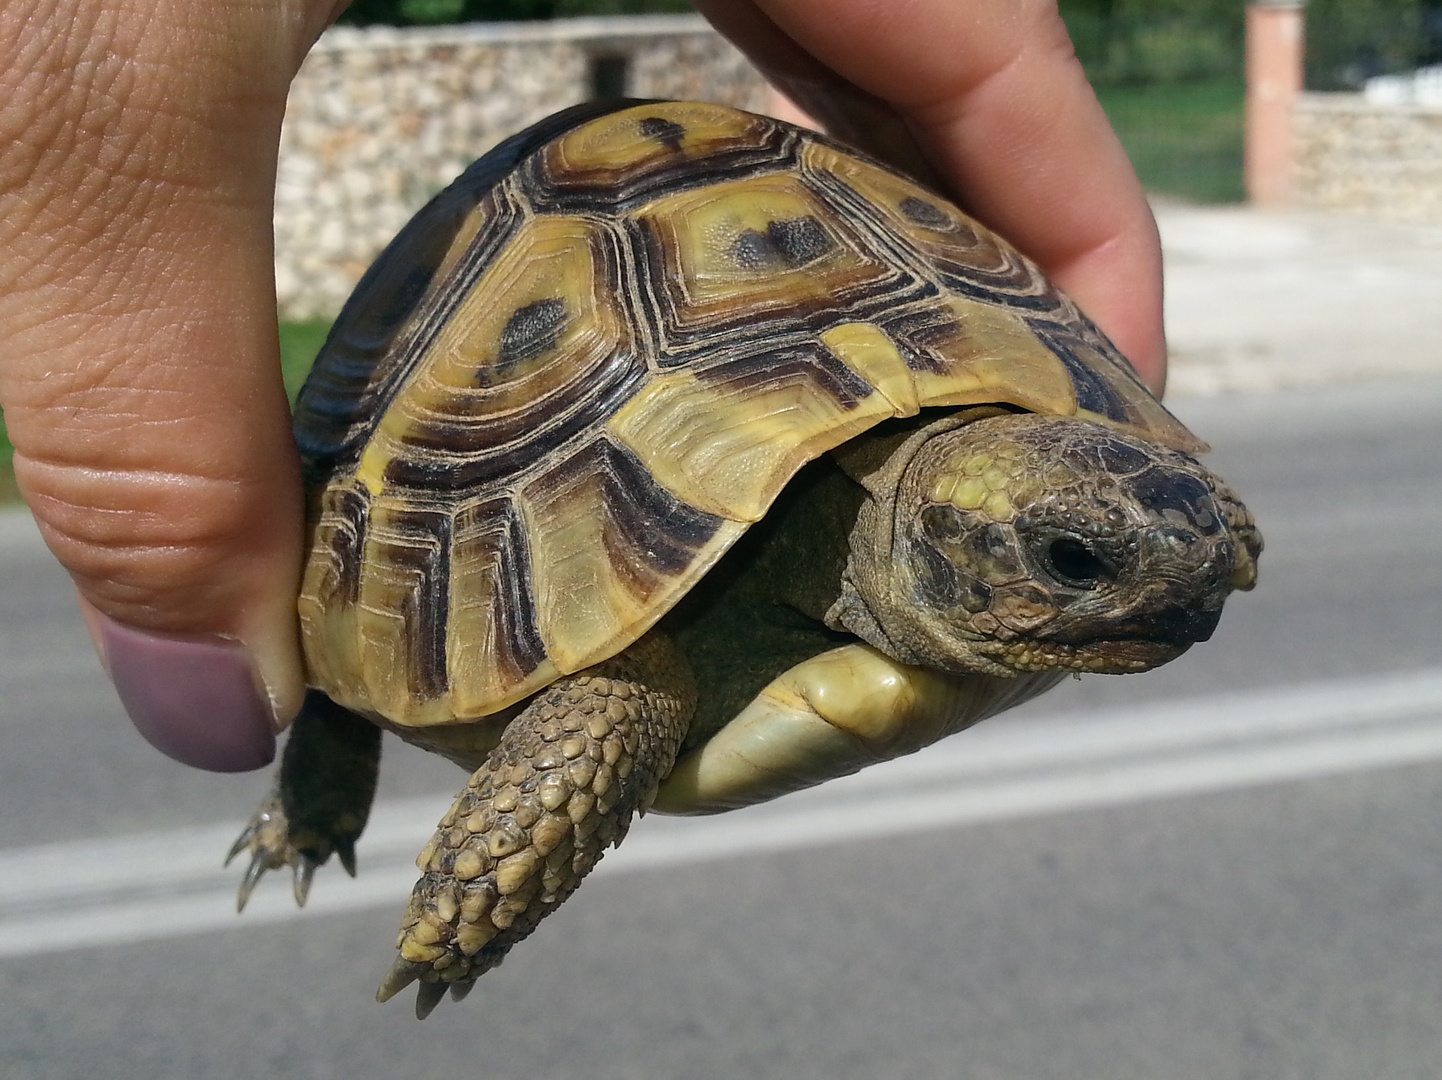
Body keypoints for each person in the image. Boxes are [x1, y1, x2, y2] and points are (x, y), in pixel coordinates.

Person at [0, 0, 1167, 771]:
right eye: (1069, 563)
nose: (1177, 584)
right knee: (603, 701)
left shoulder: (1020, 486)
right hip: (569, 549)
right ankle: (322, 779)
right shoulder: (638, 678)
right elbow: (604, 681)